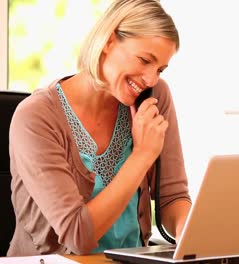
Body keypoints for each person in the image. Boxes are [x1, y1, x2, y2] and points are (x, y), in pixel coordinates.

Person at [7, 0, 191, 256]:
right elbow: (78, 235)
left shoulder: (154, 96)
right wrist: (142, 155)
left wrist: (189, 231)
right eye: (144, 60)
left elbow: (172, 197)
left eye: (160, 69)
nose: (151, 79)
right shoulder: (35, 118)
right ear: (109, 41)